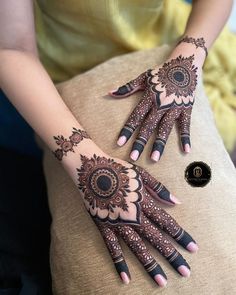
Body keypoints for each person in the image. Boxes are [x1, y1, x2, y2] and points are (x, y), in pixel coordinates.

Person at [0, 0, 233, 293]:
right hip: (63, 75)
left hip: (171, 46)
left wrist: (186, 61)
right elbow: (11, 48)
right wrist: (90, 166)